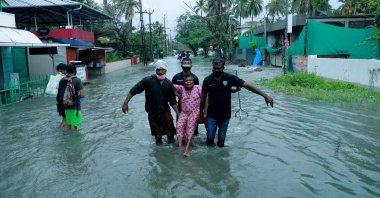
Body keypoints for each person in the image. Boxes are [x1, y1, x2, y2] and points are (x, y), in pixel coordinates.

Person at [199, 58, 274, 147]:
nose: (216, 70)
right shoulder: (207, 80)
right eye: (214, 68)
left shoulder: (230, 78)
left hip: (225, 115)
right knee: (210, 138)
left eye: (218, 68)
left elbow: (248, 86)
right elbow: (203, 97)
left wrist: (265, 95)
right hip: (212, 114)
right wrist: (201, 114)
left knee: (221, 141)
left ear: (223, 67)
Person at [122, 60, 180, 144]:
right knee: (158, 136)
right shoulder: (148, 80)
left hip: (165, 112)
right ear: (155, 70)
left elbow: (173, 102)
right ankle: (159, 153)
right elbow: (133, 90)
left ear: (166, 70)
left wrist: (179, 114)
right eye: (158, 70)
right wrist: (125, 103)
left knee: (171, 134)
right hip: (152, 113)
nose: (160, 72)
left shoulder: (169, 84)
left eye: (162, 69)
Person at [173, 75, 202, 156]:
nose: (188, 82)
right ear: (184, 82)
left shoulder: (198, 88)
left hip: (195, 111)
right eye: (186, 81)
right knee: (179, 126)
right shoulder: (181, 88)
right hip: (184, 112)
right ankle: (180, 146)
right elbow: (170, 85)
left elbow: (204, 97)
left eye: (190, 80)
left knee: (190, 126)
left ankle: (187, 149)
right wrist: (177, 95)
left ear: (193, 82)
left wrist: (203, 112)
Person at [172, 57, 200, 135]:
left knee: (194, 130)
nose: (186, 65)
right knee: (180, 127)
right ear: (181, 65)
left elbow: (198, 91)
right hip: (181, 106)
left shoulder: (195, 78)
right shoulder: (176, 77)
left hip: (194, 108)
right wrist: (178, 95)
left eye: (188, 63)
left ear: (191, 65)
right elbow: (171, 88)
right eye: (185, 63)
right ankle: (181, 143)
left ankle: (193, 142)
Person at [57, 64, 85, 131]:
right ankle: (74, 141)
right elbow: (82, 95)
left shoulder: (62, 80)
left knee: (69, 126)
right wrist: (81, 98)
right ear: (75, 70)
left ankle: (68, 140)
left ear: (66, 70)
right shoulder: (77, 80)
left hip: (65, 106)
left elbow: (60, 93)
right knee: (74, 127)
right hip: (75, 107)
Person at [55, 63, 67, 128]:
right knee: (65, 119)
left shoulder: (56, 77)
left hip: (59, 99)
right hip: (64, 99)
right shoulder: (64, 77)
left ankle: (63, 131)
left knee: (64, 118)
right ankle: (60, 131)